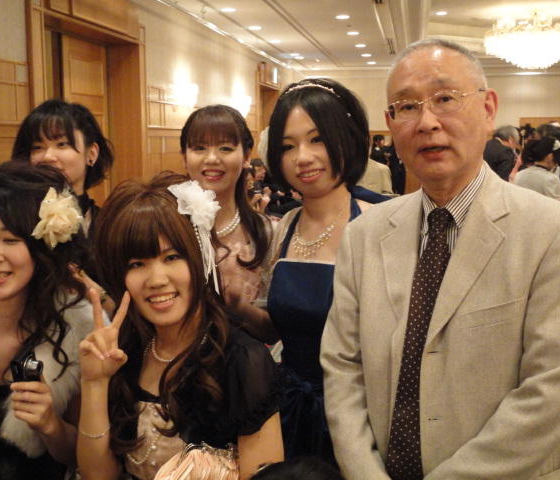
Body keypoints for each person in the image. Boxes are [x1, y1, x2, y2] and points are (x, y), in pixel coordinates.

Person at [321, 38, 560, 480]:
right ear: (391, 125)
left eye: (446, 98)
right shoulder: (364, 234)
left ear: (488, 109)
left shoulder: (559, 233)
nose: (427, 122)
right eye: (407, 107)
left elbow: (550, 391)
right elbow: (343, 367)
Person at [77, 173, 283, 480]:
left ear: (200, 257)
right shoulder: (125, 351)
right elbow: (97, 475)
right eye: (137, 264)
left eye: (172, 257)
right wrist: (94, 383)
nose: (156, 279)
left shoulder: (242, 360)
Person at [263, 77, 376, 463]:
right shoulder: (285, 226)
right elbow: (279, 327)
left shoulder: (377, 224)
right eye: (288, 146)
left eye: (317, 140)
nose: (303, 157)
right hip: (292, 408)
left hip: (360, 414)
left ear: (346, 139)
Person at [0, 161, 94, 479]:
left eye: (10, 239)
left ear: (41, 247)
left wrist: (50, 425)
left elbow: (82, 457)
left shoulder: (77, 330)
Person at [180, 105, 274, 342]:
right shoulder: (167, 225)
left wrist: (239, 306)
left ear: (246, 156)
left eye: (225, 148)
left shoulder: (266, 232)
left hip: (244, 360)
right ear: (184, 156)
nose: (212, 158)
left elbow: (273, 331)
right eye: (199, 148)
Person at [11, 99, 114, 239]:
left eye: (62, 144)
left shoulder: (109, 226)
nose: (47, 157)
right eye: (37, 147)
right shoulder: (13, 218)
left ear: (91, 154)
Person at [514, 136, 560, 201]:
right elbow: (558, 203)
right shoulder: (551, 179)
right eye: (557, 156)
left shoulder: (519, 175)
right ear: (550, 157)